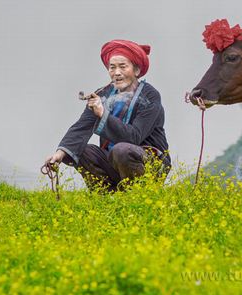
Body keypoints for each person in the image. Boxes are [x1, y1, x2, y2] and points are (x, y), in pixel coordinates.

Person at [43, 39, 170, 191]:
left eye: (123, 66)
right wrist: (60, 153)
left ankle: (137, 195)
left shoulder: (150, 96)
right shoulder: (102, 94)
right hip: (114, 159)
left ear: (136, 70)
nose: (117, 72)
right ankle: (105, 196)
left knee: (121, 149)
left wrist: (102, 113)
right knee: (80, 150)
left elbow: (134, 136)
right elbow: (82, 126)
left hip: (148, 161)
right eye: (112, 67)